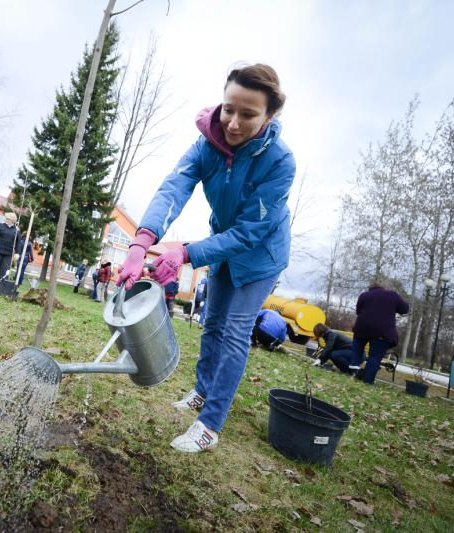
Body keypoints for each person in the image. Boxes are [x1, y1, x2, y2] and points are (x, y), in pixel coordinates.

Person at [116, 64, 295, 453]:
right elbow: (174, 187)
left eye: (248, 115)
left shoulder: (280, 162)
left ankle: (210, 424)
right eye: (229, 108)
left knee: (234, 330)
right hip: (222, 247)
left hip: (260, 256)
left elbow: (250, 231)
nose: (232, 123)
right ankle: (201, 391)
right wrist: (140, 243)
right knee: (212, 322)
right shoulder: (207, 143)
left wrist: (187, 253)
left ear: (270, 115)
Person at [349, 279, 409, 384]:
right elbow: (404, 309)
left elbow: (358, 311)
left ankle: (354, 368)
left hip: (362, 327)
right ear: (384, 287)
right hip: (382, 331)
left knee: (357, 347)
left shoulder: (364, 295)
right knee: (375, 356)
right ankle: (367, 381)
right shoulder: (392, 295)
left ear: (370, 288)